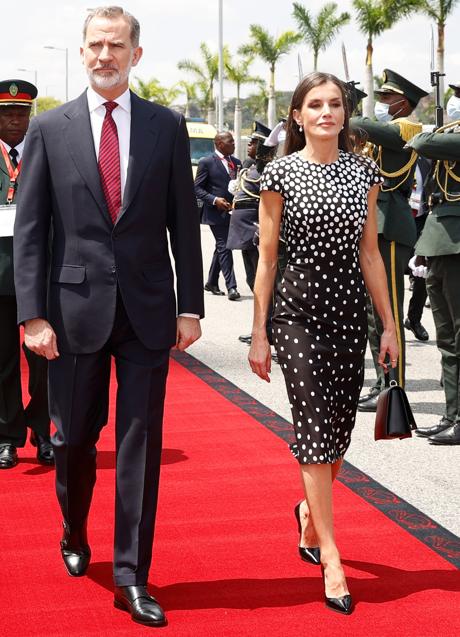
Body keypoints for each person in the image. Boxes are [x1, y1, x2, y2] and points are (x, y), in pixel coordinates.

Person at [13, 6, 203, 627]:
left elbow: (183, 220)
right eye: (95, 44)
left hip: (147, 312)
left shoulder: (166, 126)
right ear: (83, 50)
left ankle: (131, 574)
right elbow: (32, 231)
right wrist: (32, 315)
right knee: (71, 441)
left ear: (135, 55)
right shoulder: (50, 129)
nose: (104, 55)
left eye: (115, 45)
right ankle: (73, 523)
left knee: (139, 447)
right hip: (70, 315)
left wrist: (191, 306)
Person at [248, 72, 398, 615]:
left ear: (345, 113)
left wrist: (388, 325)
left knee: (337, 434)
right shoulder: (279, 173)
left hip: (348, 314)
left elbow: (372, 254)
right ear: (297, 115)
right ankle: (331, 554)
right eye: (315, 104)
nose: (327, 112)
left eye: (335, 104)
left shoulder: (364, 172)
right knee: (313, 428)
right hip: (296, 315)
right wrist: (260, 331)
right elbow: (266, 258)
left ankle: (309, 514)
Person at [350, 69, 428, 412]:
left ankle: (395, 386)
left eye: (386, 99)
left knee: (390, 310)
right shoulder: (381, 133)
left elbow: (370, 128)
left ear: (402, 103)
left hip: (391, 226)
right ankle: (383, 381)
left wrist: (348, 110)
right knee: (372, 312)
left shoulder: (406, 127)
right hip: (372, 224)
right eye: (379, 98)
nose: (381, 104)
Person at [0, 79, 53, 469]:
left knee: (44, 359)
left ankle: (42, 429)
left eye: (21, 113)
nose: (15, 120)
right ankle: (7, 437)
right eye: (7, 113)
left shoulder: (45, 151)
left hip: (39, 274)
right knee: (2, 361)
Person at [407, 106, 460, 446]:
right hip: (440, 240)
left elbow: (421, 142)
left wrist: (442, 128)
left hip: (456, 245)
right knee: (447, 341)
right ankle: (451, 415)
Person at [195, 131, 241, 300]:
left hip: (233, 213)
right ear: (219, 144)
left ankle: (211, 282)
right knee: (225, 247)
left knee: (220, 248)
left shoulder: (237, 163)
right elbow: (197, 188)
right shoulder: (206, 162)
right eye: (231, 141)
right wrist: (214, 200)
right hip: (215, 214)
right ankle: (232, 287)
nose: (234, 144)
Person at [228, 121, 272, 292]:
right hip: (243, 229)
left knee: (258, 275)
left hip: (253, 226)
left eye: (253, 142)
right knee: (251, 276)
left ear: (262, 146)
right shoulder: (250, 166)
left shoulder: (267, 170)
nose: (248, 145)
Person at [404, 155, 431, 341]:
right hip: (399, 218)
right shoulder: (397, 158)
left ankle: (414, 319)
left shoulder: (428, 161)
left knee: (423, 272)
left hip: (422, 219)